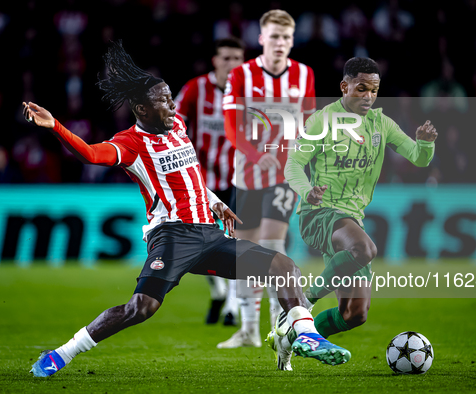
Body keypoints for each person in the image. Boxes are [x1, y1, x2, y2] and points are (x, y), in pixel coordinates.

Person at [25, 41, 349, 377]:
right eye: (163, 101)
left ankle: (307, 337)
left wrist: (215, 203)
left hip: (210, 234)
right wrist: (55, 127)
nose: (172, 105)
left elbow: (189, 176)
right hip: (173, 236)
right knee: (142, 307)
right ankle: (61, 354)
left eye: (170, 97)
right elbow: (91, 154)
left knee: (283, 266)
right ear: (142, 110)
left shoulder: (176, 126)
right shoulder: (130, 144)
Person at [268, 57, 438, 371]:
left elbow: (417, 158)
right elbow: (293, 164)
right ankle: (305, 300)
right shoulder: (322, 120)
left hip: (351, 218)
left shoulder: (381, 123)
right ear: (345, 86)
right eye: (361, 88)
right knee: (365, 248)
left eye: (374, 90)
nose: (368, 96)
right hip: (319, 214)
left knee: (354, 314)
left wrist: (425, 145)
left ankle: (288, 338)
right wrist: (308, 191)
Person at [219, 9, 316, 349]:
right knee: (246, 253)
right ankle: (248, 331)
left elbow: (307, 123)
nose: (280, 43)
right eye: (274, 36)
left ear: (292, 40)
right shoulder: (242, 75)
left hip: (285, 174)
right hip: (248, 171)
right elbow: (231, 126)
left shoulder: (305, 75)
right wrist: (258, 155)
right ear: (261, 38)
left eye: (286, 37)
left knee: (273, 245)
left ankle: (280, 325)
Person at [174, 37, 245, 326]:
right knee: (199, 243)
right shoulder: (195, 88)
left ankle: (230, 308)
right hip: (200, 180)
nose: (231, 64)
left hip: (238, 178)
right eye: (226, 58)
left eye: (237, 59)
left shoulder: (248, 94)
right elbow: (172, 120)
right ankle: (218, 293)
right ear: (215, 61)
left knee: (238, 240)